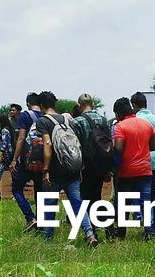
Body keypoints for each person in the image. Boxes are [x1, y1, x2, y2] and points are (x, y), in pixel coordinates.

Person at [38, 91, 96, 246]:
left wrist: (45, 169)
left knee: (49, 204)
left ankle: (48, 239)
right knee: (77, 204)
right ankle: (90, 234)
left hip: (55, 171)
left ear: (42, 106)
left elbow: (48, 144)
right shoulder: (67, 119)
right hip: (72, 169)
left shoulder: (43, 121)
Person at [111, 97, 155, 240]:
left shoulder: (120, 126)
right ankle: (149, 232)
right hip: (145, 170)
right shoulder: (146, 124)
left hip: (127, 171)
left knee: (124, 203)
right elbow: (154, 146)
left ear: (119, 113)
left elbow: (118, 148)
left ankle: (121, 233)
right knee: (146, 201)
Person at [10, 92, 44, 233]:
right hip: (43, 160)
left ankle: (30, 218)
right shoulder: (45, 116)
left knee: (17, 189)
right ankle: (42, 224)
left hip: (26, 159)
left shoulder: (25, 115)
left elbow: (21, 138)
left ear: (28, 103)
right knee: (40, 192)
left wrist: (14, 159)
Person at [73, 94, 112, 209]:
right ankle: (97, 221)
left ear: (79, 105)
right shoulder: (104, 120)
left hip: (85, 165)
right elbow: (109, 144)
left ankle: (88, 223)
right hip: (101, 163)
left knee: (84, 194)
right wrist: (108, 168)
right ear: (92, 104)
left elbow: (76, 146)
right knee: (97, 193)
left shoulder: (77, 122)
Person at [131, 92, 155, 196]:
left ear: (134, 105)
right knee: (152, 191)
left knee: (138, 193)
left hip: (140, 161)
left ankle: (143, 212)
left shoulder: (135, 120)